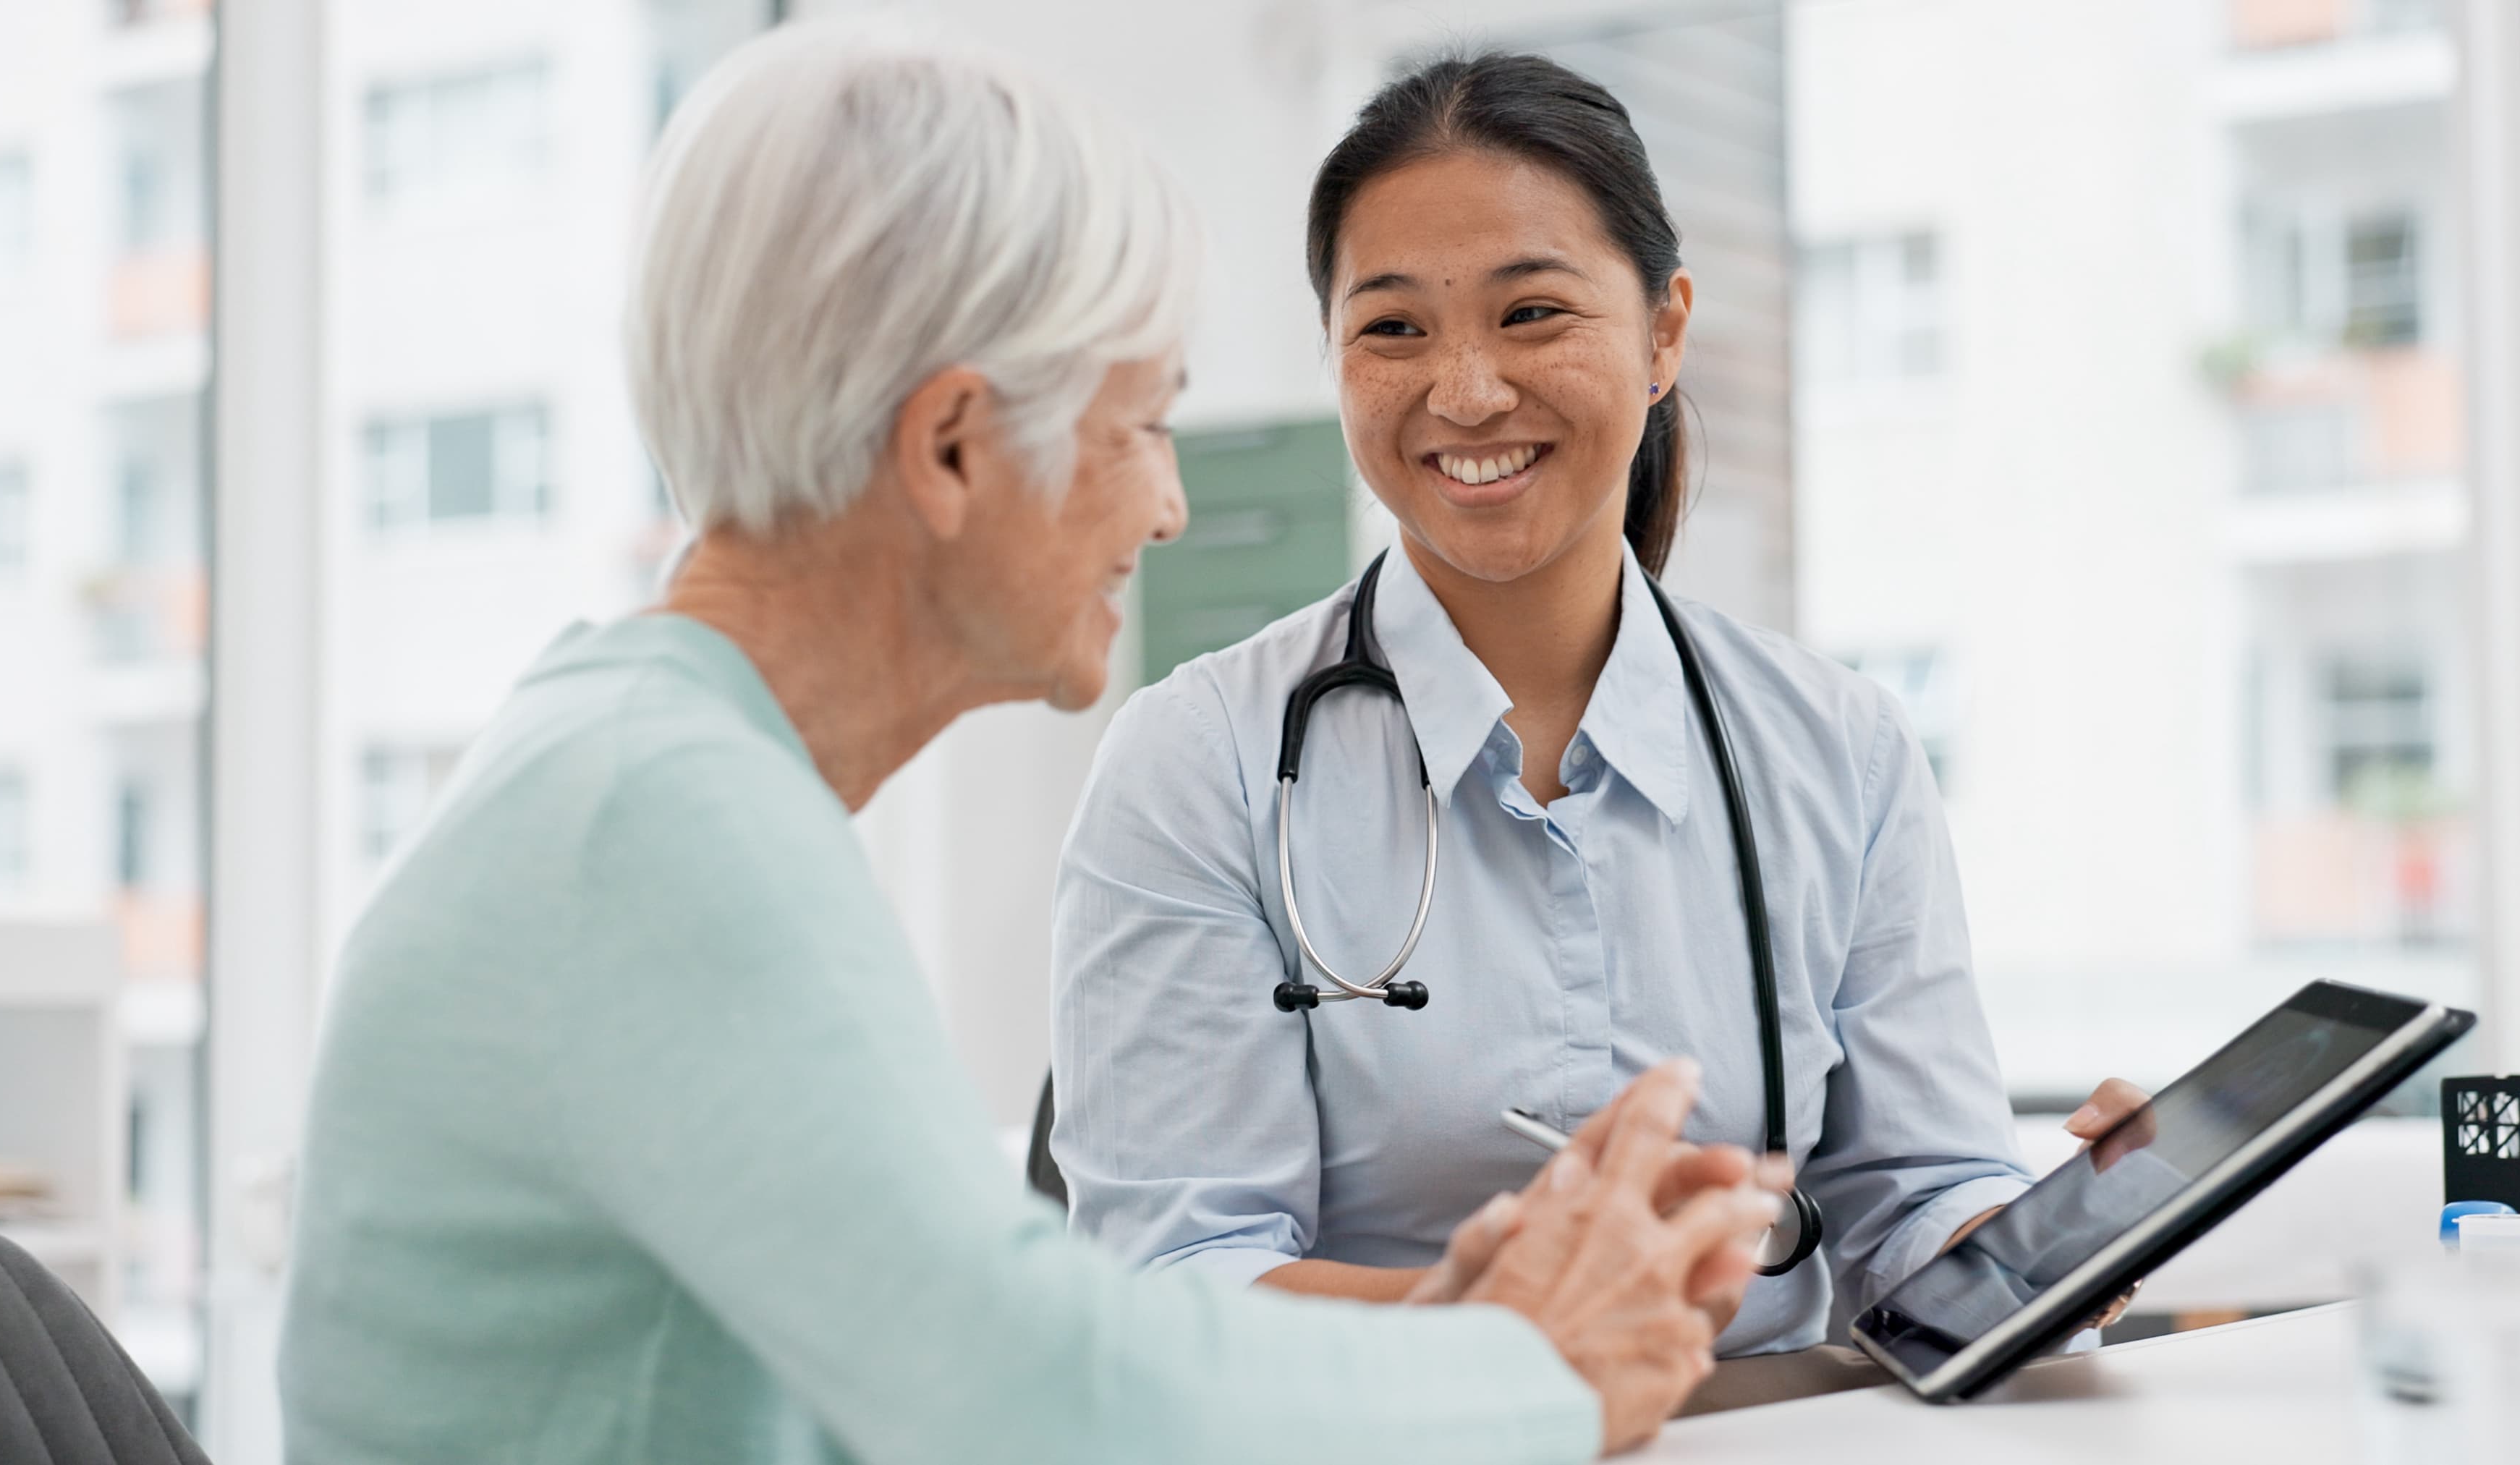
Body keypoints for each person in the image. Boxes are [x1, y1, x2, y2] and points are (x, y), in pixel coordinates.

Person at [275, 22, 1786, 1464]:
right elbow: (1031, 1396)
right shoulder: (657, 823)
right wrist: (1540, 1373)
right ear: (952, 449)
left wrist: (1472, 1326)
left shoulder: (643, 770)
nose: (1168, 505)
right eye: (1139, 425)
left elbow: (1006, 1333)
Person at [1048, 51, 2142, 1362]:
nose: (1464, 392)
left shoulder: (1839, 749)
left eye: (1532, 314)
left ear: (1665, 331)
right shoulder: (1197, 765)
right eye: (1394, 328)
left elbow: (1919, 1204)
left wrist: (2063, 1244)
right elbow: (1172, 1285)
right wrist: (1523, 1329)